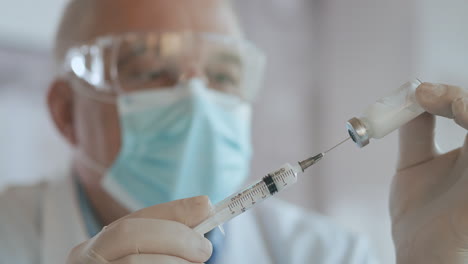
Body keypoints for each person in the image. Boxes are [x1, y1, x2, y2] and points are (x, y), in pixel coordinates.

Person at [1, 0, 468, 263]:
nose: (198, 101)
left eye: (222, 77)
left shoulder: (328, 254)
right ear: (65, 113)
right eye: (150, 73)